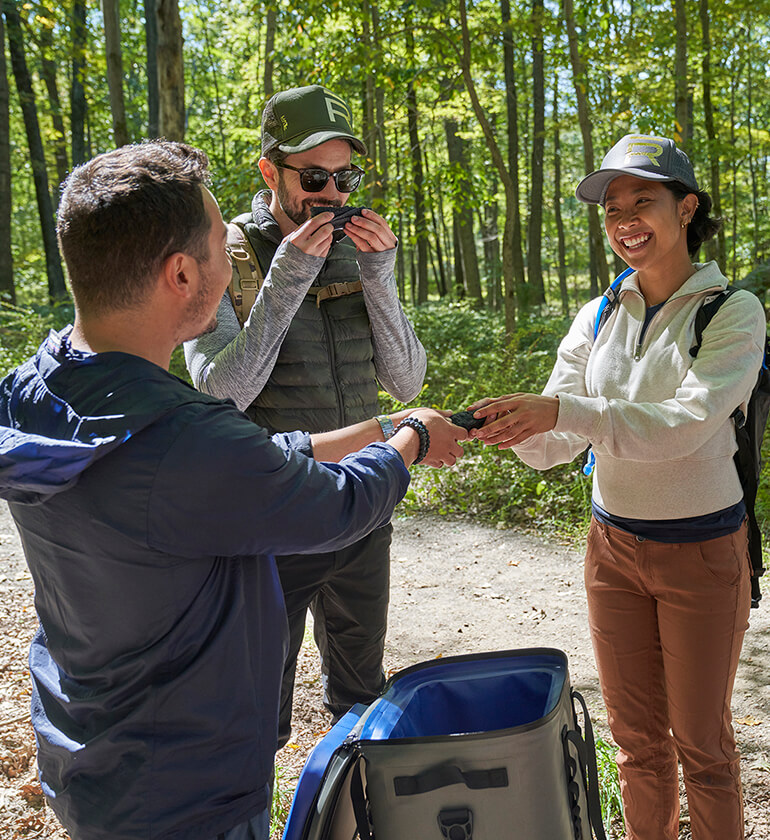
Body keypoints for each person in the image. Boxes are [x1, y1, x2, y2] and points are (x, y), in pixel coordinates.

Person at [0, 140, 466, 840]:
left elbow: (251, 459)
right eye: (223, 243)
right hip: (189, 792)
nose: (233, 255)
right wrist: (415, 442)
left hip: (90, 756)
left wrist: (382, 423)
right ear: (183, 273)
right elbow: (336, 505)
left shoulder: (38, 386)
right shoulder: (182, 440)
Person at [468, 134, 766, 840]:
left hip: (702, 553)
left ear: (687, 207)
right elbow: (556, 443)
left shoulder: (731, 313)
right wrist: (510, 428)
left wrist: (565, 413)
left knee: (705, 749)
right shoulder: (598, 314)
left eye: (643, 200)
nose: (624, 218)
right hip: (613, 551)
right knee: (636, 745)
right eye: (611, 208)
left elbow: (681, 426)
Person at [184, 84, 427, 748]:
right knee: (256, 710)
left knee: (362, 697)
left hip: (362, 506)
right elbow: (218, 391)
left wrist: (380, 277)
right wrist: (287, 277)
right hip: (267, 522)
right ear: (270, 172)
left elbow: (405, 379)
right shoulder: (222, 254)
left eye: (344, 176)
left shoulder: (363, 251)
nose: (333, 192)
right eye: (314, 175)